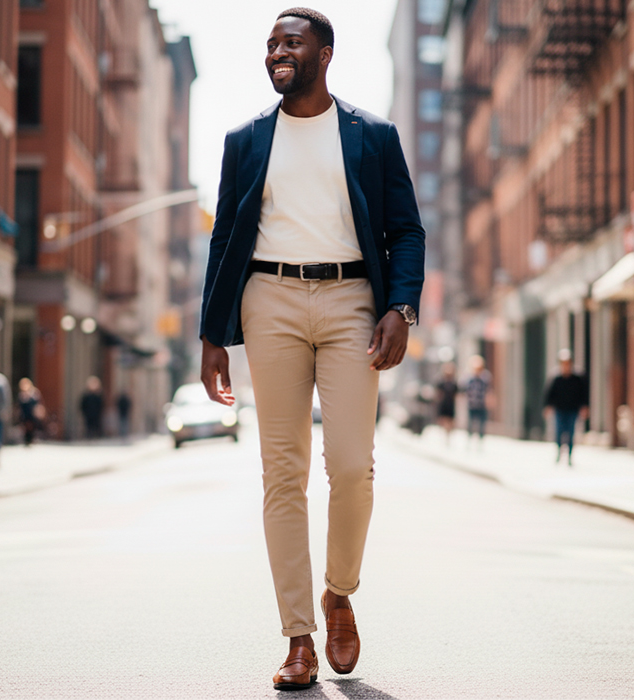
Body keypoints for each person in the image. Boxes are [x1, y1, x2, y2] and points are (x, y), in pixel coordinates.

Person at [198, 8, 424, 690]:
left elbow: (405, 229)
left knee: (352, 465)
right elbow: (222, 242)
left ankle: (339, 592)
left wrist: (401, 307)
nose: (276, 53)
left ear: (325, 54)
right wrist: (213, 336)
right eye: (270, 44)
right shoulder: (244, 140)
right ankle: (298, 635)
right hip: (268, 301)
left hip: (354, 299)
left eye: (290, 42)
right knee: (282, 471)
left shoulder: (372, 135)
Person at [543, 349, 589, 466]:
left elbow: (583, 394)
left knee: (571, 433)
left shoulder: (577, 378)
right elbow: (549, 394)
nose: (566, 366)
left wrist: (584, 407)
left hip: (573, 410)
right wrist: (547, 407)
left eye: (568, 363)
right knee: (559, 432)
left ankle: (569, 456)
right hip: (559, 410)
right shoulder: (556, 378)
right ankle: (559, 451)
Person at [465, 355, 492, 441]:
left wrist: (490, 400)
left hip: (482, 404)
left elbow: (489, 390)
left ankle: (480, 439)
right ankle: (469, 438)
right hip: (472, 404)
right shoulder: (469, 378)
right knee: (471, 423)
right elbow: (465, 389)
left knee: (481, 423)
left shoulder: (485, 377)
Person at [16, 377, 44, 447]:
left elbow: (37, 402)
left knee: (31, 426)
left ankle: (31, 439)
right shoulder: (21, 394)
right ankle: (27, 440)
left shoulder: (34, 393)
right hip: (24, 414)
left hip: (31, 413)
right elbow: (19, 404)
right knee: (26, 427)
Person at [435, 362, 459, 437]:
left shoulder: (454, 383)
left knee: (450, 420)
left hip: (451, 404)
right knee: (443, 419)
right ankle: (444, 432)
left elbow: (456, 394)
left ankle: (448, 433)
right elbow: (438, 393)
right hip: (444, 403)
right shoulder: (441, 382)